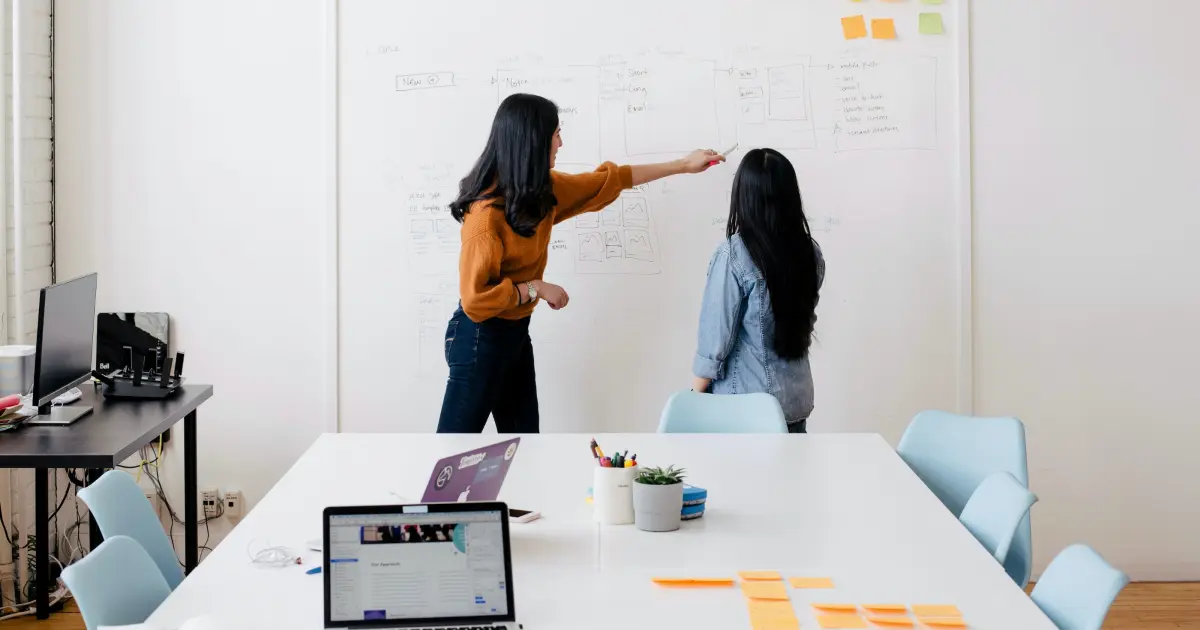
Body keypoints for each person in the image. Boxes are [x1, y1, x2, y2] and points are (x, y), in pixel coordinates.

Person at [437, 93, 723, 433]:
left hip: (514, 334)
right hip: (478, 337)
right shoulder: (484, 218)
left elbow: (610, 180)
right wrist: (535, 288)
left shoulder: (540, 192)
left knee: (525, 448)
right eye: (555, 133)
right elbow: (474, 301)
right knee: (454, 454)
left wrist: (682, 165)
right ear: (532, 141)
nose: (561, 142)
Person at [691, 148, 824, 433]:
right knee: (789, 478)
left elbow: (715, 341)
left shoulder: (734, 255)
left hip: (745, 409)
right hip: (795, 403)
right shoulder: (809, 252)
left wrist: (692, 398)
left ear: (744, 195)